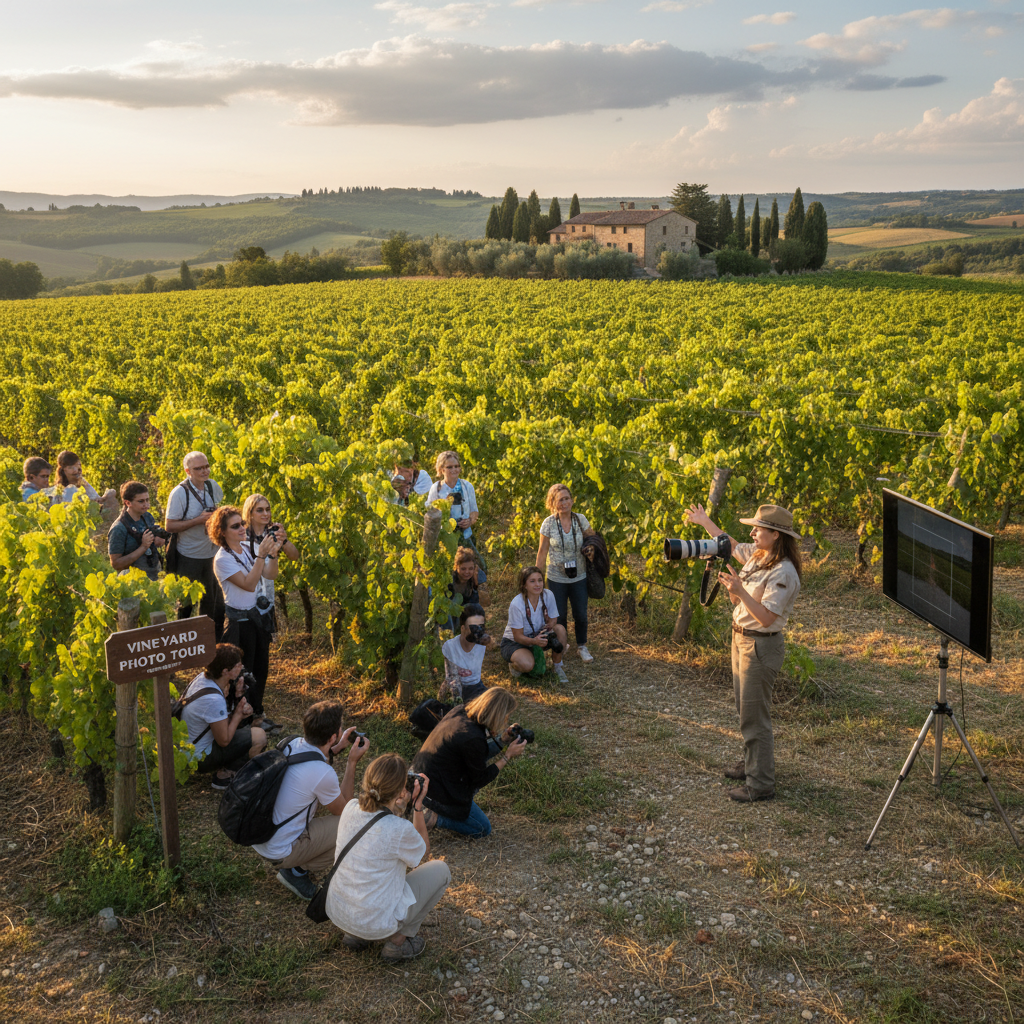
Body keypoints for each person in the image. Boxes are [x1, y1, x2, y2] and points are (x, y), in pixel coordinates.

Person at [686, 502, 803, 803]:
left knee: (754, 716)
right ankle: (753, 766)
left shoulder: (783, 571)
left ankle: (761, 784)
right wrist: (705, 523)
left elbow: (765, 617)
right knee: (744, 709)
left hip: (760, 645)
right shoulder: (759, 555)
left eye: (758, 528)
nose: (752, 532)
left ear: (776, 534)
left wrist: (739, 592)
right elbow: (732, 545)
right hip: (742, 640)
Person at [326, 753, 451, 961]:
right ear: (402, 792)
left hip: (340, 913)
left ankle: (355, 935)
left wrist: (399, 804)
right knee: (441, 870)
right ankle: (397, 942)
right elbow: (423, 853)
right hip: (377, 923)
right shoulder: (399, 829)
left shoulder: (350, 808)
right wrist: (418, 806)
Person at [253, 700, 370, 900]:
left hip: (259, 836)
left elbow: (311, 759)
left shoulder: (290, 742)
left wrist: (337, 747)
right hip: (279, 850)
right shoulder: (322, 774)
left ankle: (295, 863)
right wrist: (351, 762)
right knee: (352, 825)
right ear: (333, 735)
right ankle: (295, 872)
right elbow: (345, 810)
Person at [209, 504, 284, 735]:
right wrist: (261, 554)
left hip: (256, 618)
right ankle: (239, 721)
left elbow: (269, 575)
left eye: (242, 523)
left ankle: (257, 715)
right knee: (241, 674)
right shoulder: (222, 559)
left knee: (260, 669)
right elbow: (250, 584)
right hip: (238, 623)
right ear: (222, 532)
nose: (242, 528)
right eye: (235, 526)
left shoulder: (246, 546)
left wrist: (272, 554)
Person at [413, 688, 528, 838]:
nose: (505, 720)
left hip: (423, 773)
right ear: (497, 714)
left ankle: (424, 803)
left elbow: (478, 755)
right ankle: (433, 818)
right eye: (505, 715)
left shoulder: (460, 712)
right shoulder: (472, 738)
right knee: (482, 828)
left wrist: (503, 739)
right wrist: (507, 756)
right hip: (437, 788)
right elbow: (480, 779)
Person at [179, 643, 268, 790]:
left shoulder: (203, 679)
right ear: (226, 671)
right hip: (198, 759)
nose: (242, 667)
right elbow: (224, 741)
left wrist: (236, 696)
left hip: (186, 749)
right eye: (238, 665)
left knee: (246, 729)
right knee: (259, 736)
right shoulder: (213, 700)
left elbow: (216, 717)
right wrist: (238, 715)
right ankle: (226, 775)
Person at [165, 451, 226, 638]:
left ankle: (210, 644)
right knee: (186, 603)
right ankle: (182, 645)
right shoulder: (179, 493)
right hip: (189, 556)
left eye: (206, 466)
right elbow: (169, 526)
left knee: (214, 603)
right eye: (198, 468)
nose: (204, 471)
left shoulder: (212, 486)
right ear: (187, 471)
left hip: (213, 554)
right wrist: (198, 520)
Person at [536, 483, 595, 663]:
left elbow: (593, 539)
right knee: (559, 615)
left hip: (579, 576)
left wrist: (591, 548)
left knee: (581, 614)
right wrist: (536, 579)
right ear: (552, 503)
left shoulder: (580, 520)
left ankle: (582, 646)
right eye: (559, 500)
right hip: (556, 577)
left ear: (572, 500)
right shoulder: (548, 524)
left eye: (566, 498)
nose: (564, 503)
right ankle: (563, 644)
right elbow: (542, 552)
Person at [501, 566, 569, 683]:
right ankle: (515, 664)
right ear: (524, 585)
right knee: (527, 665)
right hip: (515, 642)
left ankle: (557, 667)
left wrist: (549, 626)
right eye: (532, 581)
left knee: (560, 629)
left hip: (538, 634)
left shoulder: (548, 595)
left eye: (540, 580)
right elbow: (517, 636)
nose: (537, 584)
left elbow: (554, 619)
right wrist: (534, 641)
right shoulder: (517, 604)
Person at [426, 451, 484, 580]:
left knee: (479, 570)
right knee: (449, 574)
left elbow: (474, 511)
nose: (454, 469)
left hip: (465, 536)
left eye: (456, 466)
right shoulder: (436, 489)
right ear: (441, 469)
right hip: (445, 539)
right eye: (450, 467)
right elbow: (430, 514)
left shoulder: (467, 486)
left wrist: (469, 521)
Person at [242, 493, 300, 619]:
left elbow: (295, 556)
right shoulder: (241, 534)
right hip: (245, 597)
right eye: (260, 510)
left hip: (267, 596)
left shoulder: (272, 532)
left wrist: (284, 540)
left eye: (267, 509)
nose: (265, 514)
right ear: (250, 513)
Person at [108, 481, 167, 581]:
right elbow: (116, 564)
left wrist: (156, 541)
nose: (146, 504)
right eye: (141, 501)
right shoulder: (118, 528)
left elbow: (153, 542)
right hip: (134, 582)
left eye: (147, 500)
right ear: (128, 503)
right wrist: (143, 547)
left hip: (155, 575)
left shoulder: (147, 517)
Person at [441, 603, 492, 704]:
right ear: (462, 628)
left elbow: (487, 639)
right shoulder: (451, 647)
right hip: (455, 689)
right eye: (473, 627)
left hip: (476, 686)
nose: (477, 631)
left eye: (480, 626)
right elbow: (453, 681)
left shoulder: (481, 639)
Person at [446, 545, 490, 632]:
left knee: (477, 608)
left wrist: (476, 584)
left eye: (470, 569)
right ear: (456, 567)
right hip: (450, 613)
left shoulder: (474, 578)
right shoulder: (450, 580)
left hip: (462, 612)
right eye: (463, 569)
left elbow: (479, 602)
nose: (467, 572)